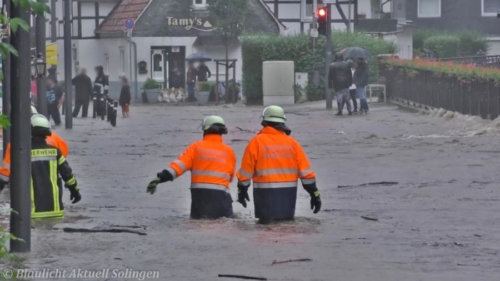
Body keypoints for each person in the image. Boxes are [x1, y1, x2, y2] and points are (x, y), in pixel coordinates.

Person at [236, 106, 321, 223]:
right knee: (287, 232)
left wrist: (241, 191)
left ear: (264, 122)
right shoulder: (293, 144)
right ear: (282, 122)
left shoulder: (256, 142)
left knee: (265, 233)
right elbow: (307, 174)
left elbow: (245, 172)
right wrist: (315, 194)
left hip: (264, 198)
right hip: (287, 198)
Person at [146, 116, 236, 219]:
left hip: (200, 198)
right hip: (222, 197)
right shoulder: (229, 152)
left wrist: (159, 178)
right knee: (222, 227)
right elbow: (230, 178)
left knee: (199, 227)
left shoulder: (195, 147)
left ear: (205, 130)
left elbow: (178, 167)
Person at [0, 114, 81, 218]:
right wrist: (75, 191)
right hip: (56, 211)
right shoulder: (55, 151)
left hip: (31, 212)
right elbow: (68, 175)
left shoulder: (21, 152)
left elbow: (4, 176)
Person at [0, 106, 70, 190]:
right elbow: (63, 157)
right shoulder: (55, 138)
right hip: (52, 184)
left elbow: (5, 172)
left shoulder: (15, 144)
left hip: (27, 187)